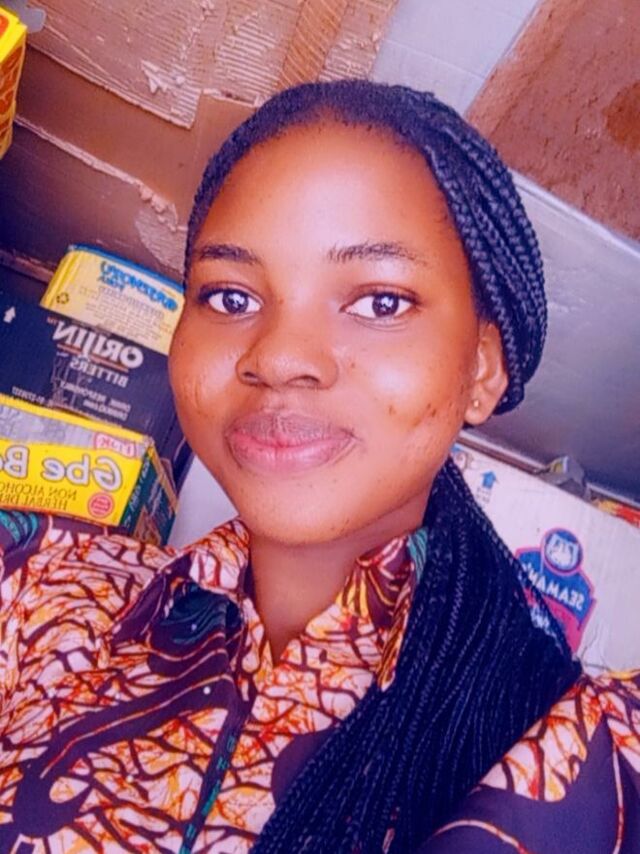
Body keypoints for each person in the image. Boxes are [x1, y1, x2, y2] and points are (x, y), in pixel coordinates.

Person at [0, 79, 637, 853]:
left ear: (481, 369)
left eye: (379, 303)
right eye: (230, 297)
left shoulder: (578, 750)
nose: (279, 357)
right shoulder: (40, 590)